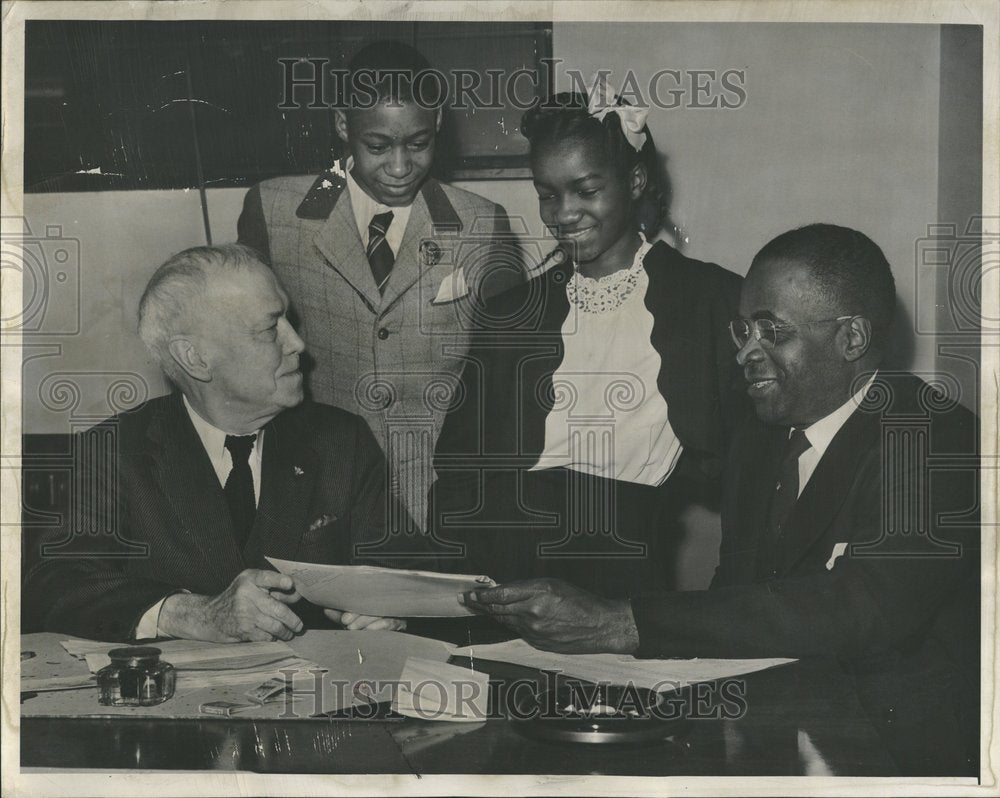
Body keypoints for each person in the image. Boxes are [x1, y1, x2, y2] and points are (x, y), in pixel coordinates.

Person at [462, 224, 980, 775]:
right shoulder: (759, 438)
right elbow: (737, 599)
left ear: (852, 339)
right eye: (743, 330)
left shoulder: (934, 437)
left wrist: (625, 621)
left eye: (772, 332)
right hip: (777, 731)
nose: (745, 353)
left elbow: (863, 608)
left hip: (901, 752)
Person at [430, 81, 745, 595]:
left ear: (636, 180)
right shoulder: (511, 311)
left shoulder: (711, 299)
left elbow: (752, 463)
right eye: (547, 195)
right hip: (499, 563)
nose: (563, 213)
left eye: (587, 190)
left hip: (621, 561)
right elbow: (458, 464)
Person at [22, 244, 417, 643]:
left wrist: (391, 609)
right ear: (195, 359)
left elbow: (404, 563)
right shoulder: (112, 451)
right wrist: (187, 614)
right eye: (270, 329)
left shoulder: (340, 440)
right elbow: (53, 584)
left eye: (290, 321)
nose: (297, 343)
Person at [237, 41, 524, 534]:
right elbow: (246, 348)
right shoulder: (275, 210)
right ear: (344, 126)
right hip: (312, 486)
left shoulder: (483, 223)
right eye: (377, 146)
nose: (398, 166)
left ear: (437, 125)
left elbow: (505, 374)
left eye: (418, 144)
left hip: (437, 491)